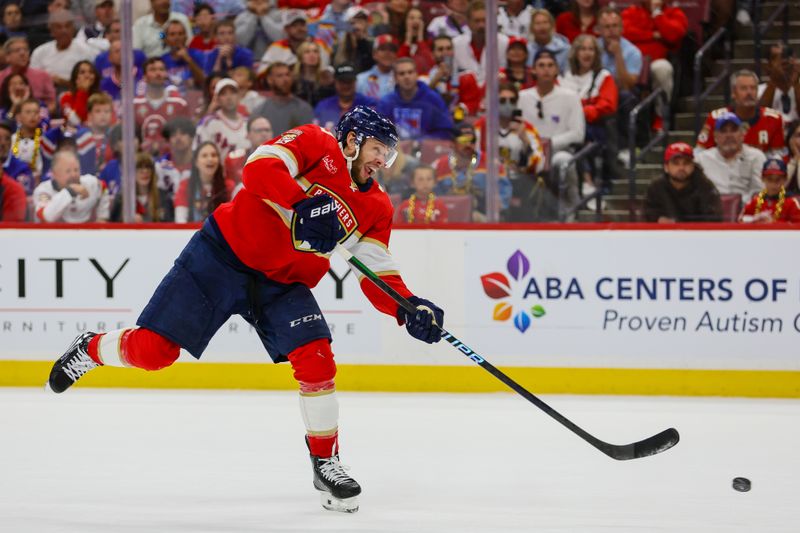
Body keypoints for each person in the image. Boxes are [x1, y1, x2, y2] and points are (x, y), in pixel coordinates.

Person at [45, 106, 445, 515]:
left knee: (317, 356)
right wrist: (301, 202)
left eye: (388, 153)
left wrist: (407, 306)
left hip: (281, 284)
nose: (381, 160)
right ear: (352, 141)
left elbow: (376, 270)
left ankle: (325, 462)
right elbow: (257, 170)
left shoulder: (376, 206)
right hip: (223, 255)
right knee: (153, 352)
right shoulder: (314, 142)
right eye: (377, 148)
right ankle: (89, 349)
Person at [519, 49, 585, 212]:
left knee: (563, 161)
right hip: (528, 151)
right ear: (533, 70)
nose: (546, 69)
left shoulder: (570, 96)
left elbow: (578, 133)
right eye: (541, 65)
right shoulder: (522, 97)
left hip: (558, 151)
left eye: (550, 65)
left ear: (556, 70)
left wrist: (548, 143)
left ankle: (570, 206)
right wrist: (533, 144)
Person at [561, 33, 619, 188]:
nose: (587, 53)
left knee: (581, 136)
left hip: (595, 128)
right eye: (583, 49)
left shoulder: (603, 76)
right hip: (566, 127)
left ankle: (588, 180)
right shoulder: (564, 78)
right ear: (575, 53)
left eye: (591, 49)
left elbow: (607, 105)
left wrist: (581, 112)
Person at [622, 0, 688, 131]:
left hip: (655, 63)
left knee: (662, 68)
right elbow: (624, 32)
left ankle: (660, 117)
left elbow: (674, 35)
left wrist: (657, 14)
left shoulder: (674, 13)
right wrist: (653, 35)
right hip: (631, 63)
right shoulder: (630, 12)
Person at [697, 70, 786, 158]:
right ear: (733, 93)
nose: (749, 93)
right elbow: (699, 153)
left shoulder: (774, 119)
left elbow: (779, 157)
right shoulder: (715, 118)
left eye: (753, 88)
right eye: (743, 88)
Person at [434, 123, 511, 221]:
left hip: (482, 216)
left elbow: (504, 193)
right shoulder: (440, 165)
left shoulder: (491, 163)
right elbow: (433, 196)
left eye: (472, 141)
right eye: (463, 140)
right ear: (452, 143)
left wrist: (498, 203)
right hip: (448, 216)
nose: (468, 144)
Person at [474, 83, 545, 177]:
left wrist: (525, 141)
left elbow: (540, 164)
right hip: (487, 179)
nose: (508, 105)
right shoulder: (480, 127)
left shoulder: (528, 129)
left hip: (518, 181)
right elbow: (471, 158)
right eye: (502, 101)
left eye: (512, 101)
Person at [695, 112, 765, 204]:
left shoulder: (756, 157)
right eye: (723, 131)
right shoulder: (702, 159)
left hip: (747, 211)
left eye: (734, 130)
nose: (729, 135)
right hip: (712, 212)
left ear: (742, 134)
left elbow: (761, 190)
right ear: (715, 136)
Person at [643, 142, 723, 223]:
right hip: (665, 234)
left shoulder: (704, 185)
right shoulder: (656, 187)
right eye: (676, 163)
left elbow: (714, 218)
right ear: (666, 167)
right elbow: (648, 214)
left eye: (686, 163)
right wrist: (658, 220)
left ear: (693, 165)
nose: (681, 168)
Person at [377, 58, 454, 141]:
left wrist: (419, 143)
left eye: (410, 72)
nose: (407, 77)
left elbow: (445, 131)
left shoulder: (433, 99)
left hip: (427, 151)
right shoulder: (386, 102)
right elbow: (379, 132)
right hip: (395, 151)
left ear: (416, 74)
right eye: (402, 74)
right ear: (395, 78)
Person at [42, 92, 115, 177]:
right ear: (89, 115)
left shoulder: (115, 136)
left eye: (107, 111)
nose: (103, 115)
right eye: (98, 111)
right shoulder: (79, 137)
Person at [32, 148, 110, 223]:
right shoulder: (43, 191)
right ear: (54, 174)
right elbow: (46, 216)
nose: (73, 175)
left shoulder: (90, 183)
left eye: (76, 170)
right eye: (68, 171)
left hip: (85, 233)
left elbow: (103, 188)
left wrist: (102, 216)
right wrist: (69, 191)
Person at [134, 57, 190, 156]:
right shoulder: (134, 104)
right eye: (153, 70)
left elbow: (187, 138)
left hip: (172, 161)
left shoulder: (179, 104)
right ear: (144, 76)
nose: (158, 73)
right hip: (142, 163)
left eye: (161, 69)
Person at [29, 9, 98, 90]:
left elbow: (92, 83)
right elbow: (33, 81)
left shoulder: (87, 51)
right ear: (51, 31)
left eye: (68, 26)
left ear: (73, 29)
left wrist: (64, 83)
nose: (64, 30)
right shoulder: (39, 52)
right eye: (59, 27)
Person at [173, 141, 232, 223]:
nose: (210, 159)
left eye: (214, 155)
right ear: (196, 162)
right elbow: (180, 219)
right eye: (204, 156)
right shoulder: (185, 186)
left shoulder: (229, 186)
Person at [452, 1, 508, 85]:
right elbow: (454, 77)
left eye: (484, 20)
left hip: (494, 93)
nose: (481, 25)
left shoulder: (504, 43)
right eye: (477, 21)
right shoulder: (456, 44)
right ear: (468, 22)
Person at [253, 62, 314, 136]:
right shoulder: (260, 111)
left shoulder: (304, 109)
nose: (285, 79)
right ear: (270, 80)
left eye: (287, 75)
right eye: (280, 76)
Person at [110, 152, 173, 223]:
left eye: (148, 167)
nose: (145, 171)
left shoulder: (163, 198)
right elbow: (113, 228)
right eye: (139, 167)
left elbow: (170, 227)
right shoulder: (122, 199)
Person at [195, 78, 249, 160]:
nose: (229, 97)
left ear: (238, 96)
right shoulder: (208, 123)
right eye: (224, 94)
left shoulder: (248, 123)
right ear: (217, 99)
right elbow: (199, 152)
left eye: (233, 93)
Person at [259, 10, 330, 71]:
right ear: (286, 29)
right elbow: (263, 71)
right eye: (294, 25)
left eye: (302, 25)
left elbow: (324, 70)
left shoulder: (320, 45)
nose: (299, 29)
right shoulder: (277, 47)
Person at [0, 37, 57, 114]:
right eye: (17, 50)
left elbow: (52, 104)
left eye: (26, 50)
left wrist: (38, 117)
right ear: (7, 56)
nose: (23, 53)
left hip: (38, 121)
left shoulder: (43, 76)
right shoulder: (1, 77)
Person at [314, 63, 376, 132]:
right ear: (335, 82)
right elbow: (316, 133)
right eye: (342, 82)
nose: (346, 85)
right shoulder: (323, 106)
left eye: (349, 81)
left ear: (355, 82)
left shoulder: (369, 105)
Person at [740, 158, 800, 223]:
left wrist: (772, 223)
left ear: (785, 180)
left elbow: (797, 227)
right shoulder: (755, 201)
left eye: (778, 180)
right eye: (769, 179)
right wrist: (754, 219)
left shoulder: (791, 203)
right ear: (762, 178)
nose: (773, 184)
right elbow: (741, 220)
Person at [758, 44, 800, 127]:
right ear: (768, 65)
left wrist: (796, 82)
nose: (783, 62)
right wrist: (773, 79)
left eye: (786, 56)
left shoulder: (798, 87)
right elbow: (760, 117)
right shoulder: (759, 90)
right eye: (775, 58)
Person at [161, 19, 206, 93]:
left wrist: (188, 60)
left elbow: (204, 81)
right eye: (172, 34)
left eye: (180, 34)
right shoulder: (162, 60)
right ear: (166, 39)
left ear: (186, 37)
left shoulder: (197, 54)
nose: (177, 37)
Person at [331, 5, 374, 74]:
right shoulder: (337, 48)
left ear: (367, 24)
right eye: (353, 23)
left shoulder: (373, 46)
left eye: (360, 22)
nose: (357, 26)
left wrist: (362, 41)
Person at [292, 41, 335, 108]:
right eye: (307, 52)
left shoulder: (327, 79)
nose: (312, 55)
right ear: (300, 57)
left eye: (315, 51)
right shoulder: (293, 80)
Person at [58, 60, 101, 126]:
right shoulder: (66, 98)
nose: (87, 76)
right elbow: (76, 122)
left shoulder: (101, 97)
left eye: (91, 72)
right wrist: (82, 92)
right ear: (75, 78)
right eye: (82, 72)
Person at [355, 34, 398, 100]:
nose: (387, 53)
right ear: (374, 54)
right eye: (383, 49)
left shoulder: (402, 78)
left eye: (392, 50)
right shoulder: (361, 80)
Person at [10, 98, 45, 178]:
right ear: (18, 117)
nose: (33, 115)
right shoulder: (12, 139)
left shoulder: (44, 140)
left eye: (36, 112)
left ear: (40, 116)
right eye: (28, 112)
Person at [528, 9, 570, 74]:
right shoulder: (527, 51)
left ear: (552, 25)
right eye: (538, 23)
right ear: (531, 28)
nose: (542, 27)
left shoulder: (565, 49)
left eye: (545, 22)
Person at [397, 7, 435, 75]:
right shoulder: (397, 41)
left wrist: (420, 38)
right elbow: (400, 64)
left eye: (419, 18)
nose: (416, 21)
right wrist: (408, 41)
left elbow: (429, 64)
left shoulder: (429, 42)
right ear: (404, 21)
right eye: (411, 18)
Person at [0, 119, 34, 195]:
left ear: (11, 142)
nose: (3, 143)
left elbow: (23, 197)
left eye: (7, 139)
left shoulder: (22, 168)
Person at [786, 120, 800, 195]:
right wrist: (795, 159)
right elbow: (778, 188)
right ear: (790, 139)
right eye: (799, 136)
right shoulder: (780, 160)